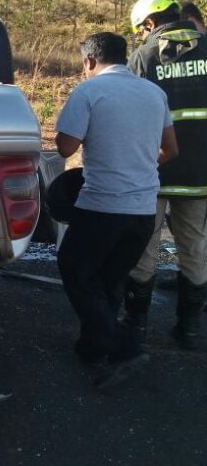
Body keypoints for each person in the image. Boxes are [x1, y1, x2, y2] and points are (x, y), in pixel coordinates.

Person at [55, 31, 177, 389]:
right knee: (110, 279)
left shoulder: (89, 91)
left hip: (102, 205)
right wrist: (136, 160)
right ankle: (92, 349)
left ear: (89, 61)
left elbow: (64, 148)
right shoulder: (155, 93)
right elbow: (170, 150)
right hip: (143, 209)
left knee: (75, 268)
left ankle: (124, 346)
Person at [125, 0, 207, 350]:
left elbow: (130, 115)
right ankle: (189, 330)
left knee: (145, 246)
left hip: (154, 169)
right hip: (200, 173)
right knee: (195, 248)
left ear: (149, 23)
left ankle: (136, 329)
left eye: (142, 29)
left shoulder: (143, 57)